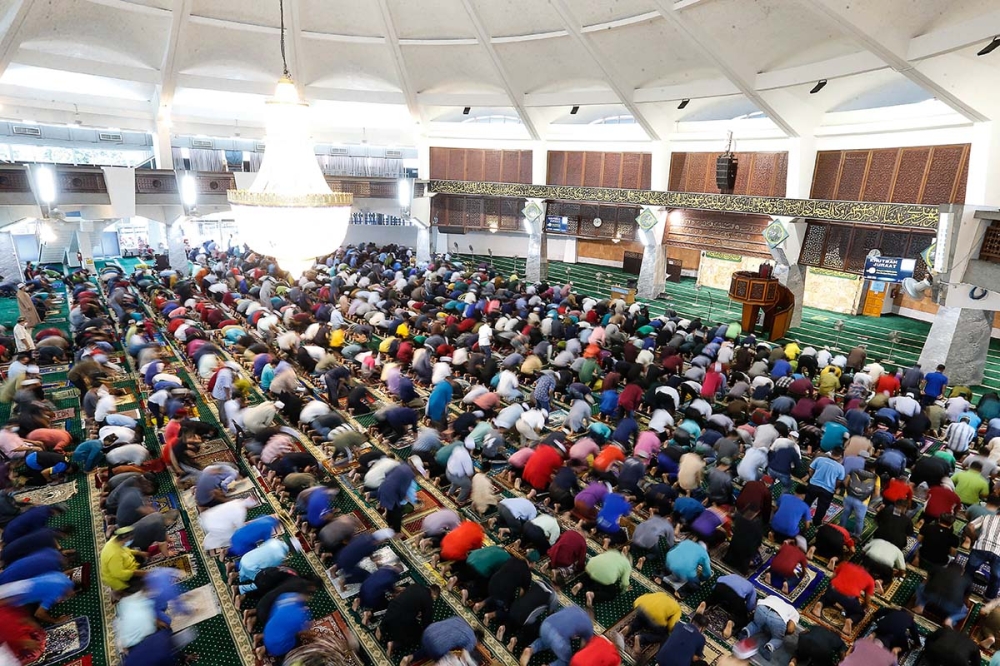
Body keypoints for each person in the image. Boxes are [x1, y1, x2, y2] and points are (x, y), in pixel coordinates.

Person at [811, 562, 875, 635]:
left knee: (826, 597)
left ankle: (820, 604)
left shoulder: (845, 564)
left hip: (833, 590)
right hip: (849, 599)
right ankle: (850, 620)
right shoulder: (870, 580)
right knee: (860, 613)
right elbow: (867, 601)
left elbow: (831, 578)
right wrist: (863, 607)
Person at [519, 605, 593, 666]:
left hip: (546, 624)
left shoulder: (573, 607)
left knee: (545, 642)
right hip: (558, 638)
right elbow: (583, 647)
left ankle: (530, 649)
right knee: (567, 661)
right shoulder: (589, 624)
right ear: (591, 618)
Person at [737, 595, 799, 661]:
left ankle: (745, 632)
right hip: (777, 618)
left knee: (756, 624)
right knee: (778, 639)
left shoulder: (773, 596)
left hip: (761, 608)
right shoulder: (794, 612)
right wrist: (781, 632)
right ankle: (768, 648)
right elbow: (790, 629)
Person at [401, 616, 481, 666]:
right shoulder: (472, 639)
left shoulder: (459, 619)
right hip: (437, 647)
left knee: (429, 647)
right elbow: (465, 657)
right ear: (477, 639)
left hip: (428, 631)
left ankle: (409, 658)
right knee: (443, 658)